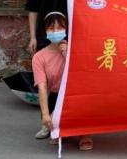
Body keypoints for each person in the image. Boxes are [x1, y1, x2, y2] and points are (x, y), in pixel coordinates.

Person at [32, 11, 93, 151]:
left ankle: (85, 134)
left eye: (60, 27)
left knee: (82, 110)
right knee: (54, 126)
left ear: (66, 29)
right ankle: (61, 130)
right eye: (51, 28)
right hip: (57, 95)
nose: (55, 31)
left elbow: (84, 75)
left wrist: (68, 55)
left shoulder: (75, 49)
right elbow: (42, 86)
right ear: (45, 30)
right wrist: (45, 114)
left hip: (77, 95)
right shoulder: (39, 57)